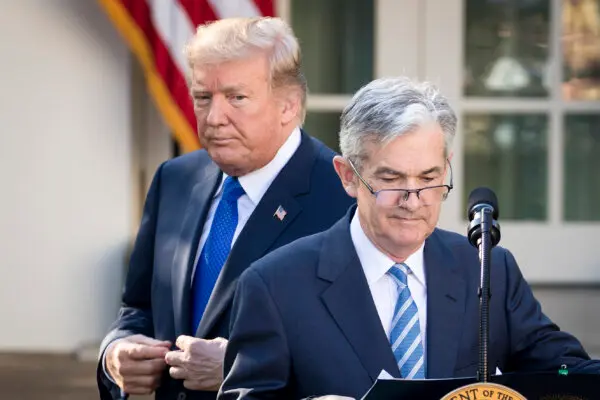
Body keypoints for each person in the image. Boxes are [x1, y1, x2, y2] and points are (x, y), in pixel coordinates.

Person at [218, 77, 600, 400]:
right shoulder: (275, 286)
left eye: (429, 177)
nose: (413, 199)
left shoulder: (487, 268)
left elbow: (568, 373)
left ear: (447, 166)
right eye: (391, 179)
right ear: (347, 176)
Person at [97, 17, 354, 400]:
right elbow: (138, 307)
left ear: (288, 106)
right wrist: (114, 353)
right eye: (203, 97)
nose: (214, 117)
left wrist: (246, 367)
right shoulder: (175, 180)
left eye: (237, 97)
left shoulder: (343, 197)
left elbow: (359, 357)